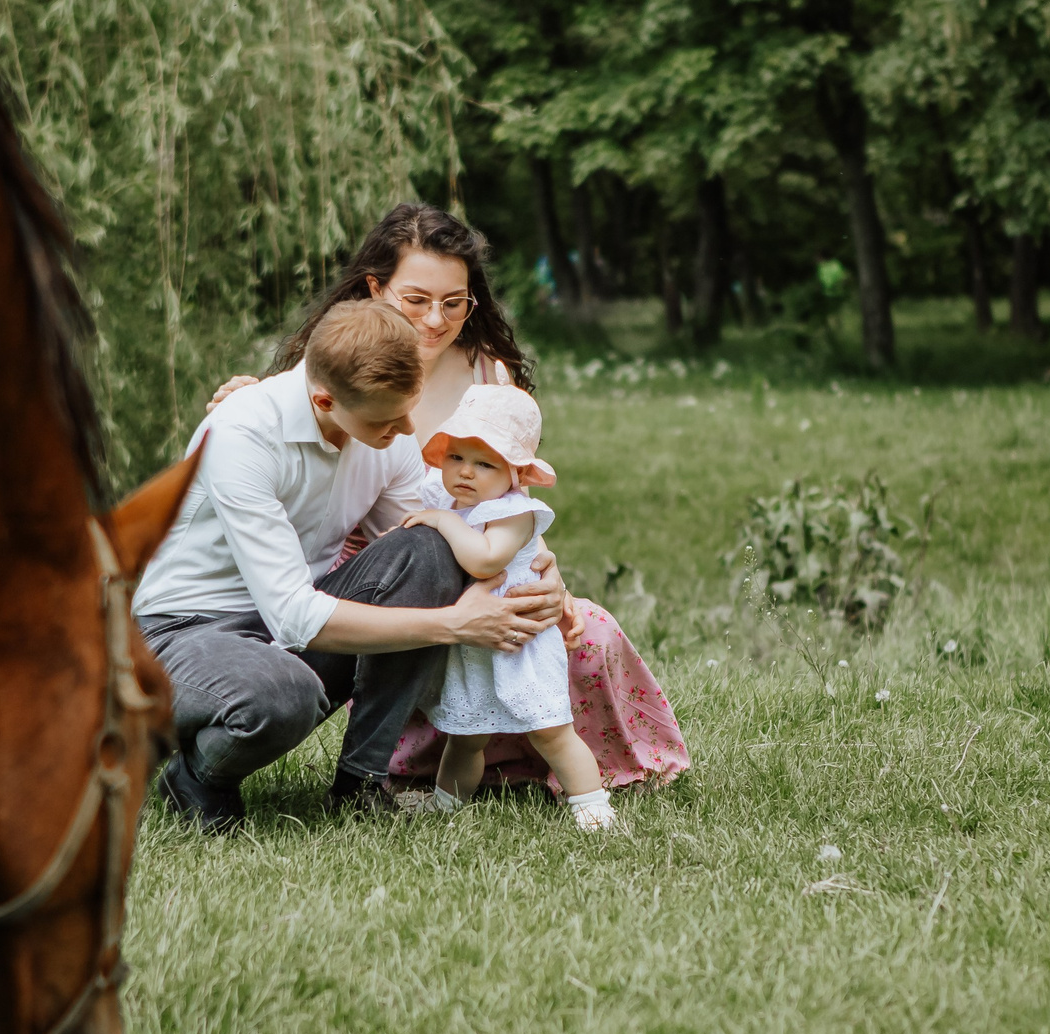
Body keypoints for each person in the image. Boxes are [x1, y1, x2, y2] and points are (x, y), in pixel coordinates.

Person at [206, 202, 689, 801]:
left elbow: (505, 500)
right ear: (375, 288)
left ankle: (554, 759)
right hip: (377, 573)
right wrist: (246, 396)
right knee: (439, 628)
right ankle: (408, 762)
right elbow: (291, 442)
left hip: (482, 553)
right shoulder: (340, 363)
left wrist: (541, 570)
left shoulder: (490, 376)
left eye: (454, 302)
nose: (435, 319)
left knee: (582, 631)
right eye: (415, 300)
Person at [135, 297, 567, 832]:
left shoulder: (385, 429)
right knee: (283, 692)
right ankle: (199, 775)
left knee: (430, 548)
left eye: (411, 408)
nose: (408, 430)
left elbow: (435, 552)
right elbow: (293, 614)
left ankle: (360, 783)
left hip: (292, 623)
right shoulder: (242, 433)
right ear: (323, 399)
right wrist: (453, 625)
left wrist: (539, 569)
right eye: (388, 418)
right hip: (180, 633)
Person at [399, 384, 617, 831]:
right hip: (473, 642)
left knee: (550, 730)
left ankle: (592, 804)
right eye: (456, 457)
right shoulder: (445, 497)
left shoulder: (514, 512)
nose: (465, 473)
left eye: (485, 464)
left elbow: (485, 560)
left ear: (515, 473)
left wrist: (442, 523)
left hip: (520, 642)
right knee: (465, 735)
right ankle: (445, 801)